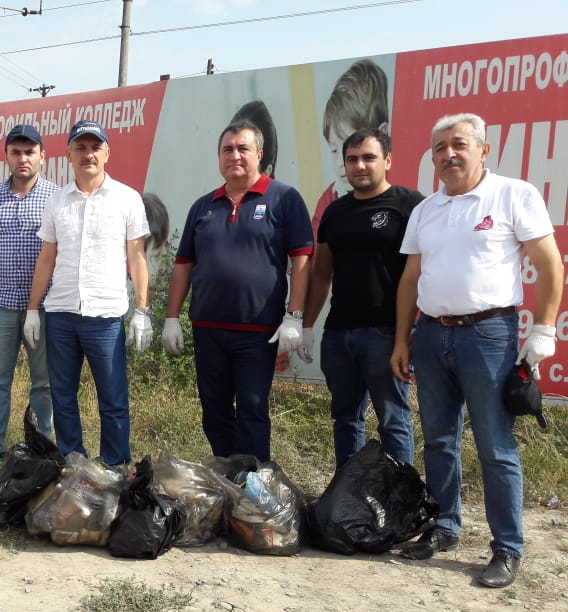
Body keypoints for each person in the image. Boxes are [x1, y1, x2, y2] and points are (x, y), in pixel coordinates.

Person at [391, 113, 563, 588]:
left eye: (459, 144)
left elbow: (549, 265)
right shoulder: (426, 210)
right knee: (440, 441)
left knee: (495, 446)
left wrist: (543, 329)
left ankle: (507, 548)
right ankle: (444, 528)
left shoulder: (513, 194)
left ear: (483, 150)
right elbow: (410, 280)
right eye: (440, 147)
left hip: (488, 335)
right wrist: (403, 338)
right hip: (431, 336)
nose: (449, 154)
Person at [162, 119, 314, 462]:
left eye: (243, 148)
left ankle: (253, 487)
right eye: (227, 149)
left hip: (258, 333)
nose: (235, 155)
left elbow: (302, 261)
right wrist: (172, 317)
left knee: (252, 411)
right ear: (219, 157)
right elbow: (184, 264)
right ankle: (228, 477)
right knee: (214, 411)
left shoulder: (284, 198)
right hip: (208, 330)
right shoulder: (204, 206)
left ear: (259, 154)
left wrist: (295, 316)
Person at [24, 119, 151, 471]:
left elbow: (137, 257)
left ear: (107, 153)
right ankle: (73, 463)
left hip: (106, 316)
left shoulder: (127, 198)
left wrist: (142, 310)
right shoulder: (57, 201)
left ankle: (115, 466)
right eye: (80, 147)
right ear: (68, 154)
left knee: (113, 399)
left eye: (95, 147)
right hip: (62, 314)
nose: (88, 154)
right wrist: (33, 309)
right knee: (63, 396)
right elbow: (47, 257)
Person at [302, 129, 423, 468]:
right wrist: (307, 326)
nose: (359, 165)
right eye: (352, 159)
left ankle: (400, 500)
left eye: (369, 157)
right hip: (340, 335)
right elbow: (321, 273)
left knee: (393, 421)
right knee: (345, 419)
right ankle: (349, 496)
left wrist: (406, 334)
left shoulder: (409, 204)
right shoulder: (335, 212)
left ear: (387, 160)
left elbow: (422, 273)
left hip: (386, 335)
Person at [0, 124, 58, 468]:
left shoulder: (57, 196)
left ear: (42, 157)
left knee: (44, 384)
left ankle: (41, 443)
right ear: (6, 156)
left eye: (30, 152)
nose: (23, 158)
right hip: (2, 305)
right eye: (16, 152)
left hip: (46, 307)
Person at [313, 59, 390, 238]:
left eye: (352, 147)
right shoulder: (330, 200)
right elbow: (317, 259)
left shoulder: (403, 199)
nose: (341, 162)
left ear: (383, 134)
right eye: (334, 150)